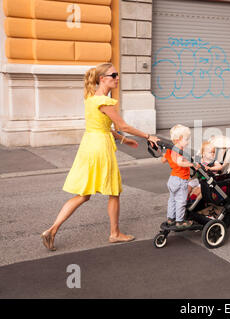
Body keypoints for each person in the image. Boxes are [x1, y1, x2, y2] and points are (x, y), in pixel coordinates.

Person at [40, 63, 159, 251]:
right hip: (100, 148)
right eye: (114, 75)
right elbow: (123, 125)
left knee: (83, 194)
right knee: (114, 191)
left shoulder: (91, 99)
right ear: (103, 79)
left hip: (89, 145)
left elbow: (104, 126)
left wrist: (122, 140)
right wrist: (148, 136)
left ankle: (52, 230)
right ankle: (115, 233)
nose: (117, 78)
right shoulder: (105, 101)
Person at [161, 124, 198, 229]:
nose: (188, 142)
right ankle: (180, 221)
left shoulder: (169, 149)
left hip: (172, 179)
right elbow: (180, 163)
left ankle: (170, 218)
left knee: (172, 199)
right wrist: (192, 164)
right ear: (180, 139)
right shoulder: (179, 151)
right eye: (187, 139)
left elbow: (163, 160)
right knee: (181, 201)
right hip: (181, 180)